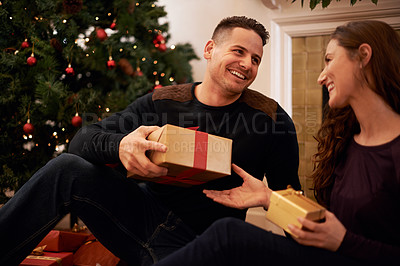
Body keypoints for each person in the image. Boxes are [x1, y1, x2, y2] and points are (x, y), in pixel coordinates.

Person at [0, 16, 301, 265]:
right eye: (238, 51)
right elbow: (82, 140)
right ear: (210, 49)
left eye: (256, 59)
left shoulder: (271, 119)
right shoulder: (162, 101)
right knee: (66, 167)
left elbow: (292, 200)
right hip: (139, 216)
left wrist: (269, 198)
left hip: (198, 243)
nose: (247, 64)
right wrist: (120, 146)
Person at [154, 20, 400, 266]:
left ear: (363, 56)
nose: (321, 76)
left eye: (329, 60)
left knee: (227, 234)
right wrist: (269, 198)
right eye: (238, 51)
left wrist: (344, 242)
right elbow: (329, 229)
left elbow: (342, 238)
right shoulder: (346, 142)